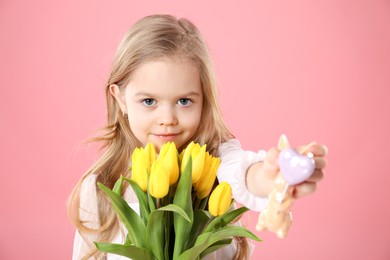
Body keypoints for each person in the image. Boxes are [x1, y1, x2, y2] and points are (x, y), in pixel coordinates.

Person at [67, 14, 327, 260]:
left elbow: (244, 174)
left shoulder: (216, 162)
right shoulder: (100, 189)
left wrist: (269, 176)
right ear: (120, 98)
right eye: (149, 101)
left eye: (183, 101)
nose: (167, 118)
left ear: (204, 100)